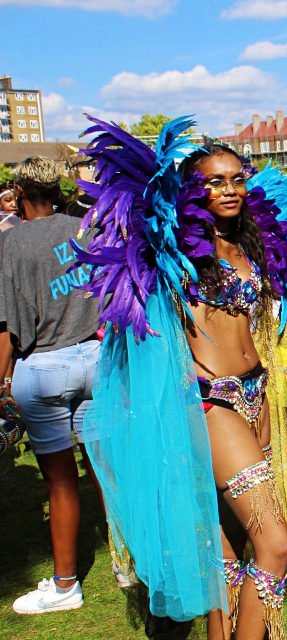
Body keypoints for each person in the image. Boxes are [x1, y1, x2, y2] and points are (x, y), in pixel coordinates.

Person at [75, 118, 287, 640]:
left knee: (228, 548)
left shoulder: (248, 246)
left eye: (235, 178)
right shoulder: (172, 256)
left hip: (255, 396)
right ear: (188, 191)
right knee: (276, 542)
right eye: (212, 181)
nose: (227, 190)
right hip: (210, 403)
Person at [0, 157, 101, 614]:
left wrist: (1, 379)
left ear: (20, 191)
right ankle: (128, 564)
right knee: (104, 468)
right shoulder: (85, 226)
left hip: (43, 365)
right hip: (96, 358)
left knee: (60, 483)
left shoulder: (13, 241)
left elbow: (6, 323)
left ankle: (64, 587)